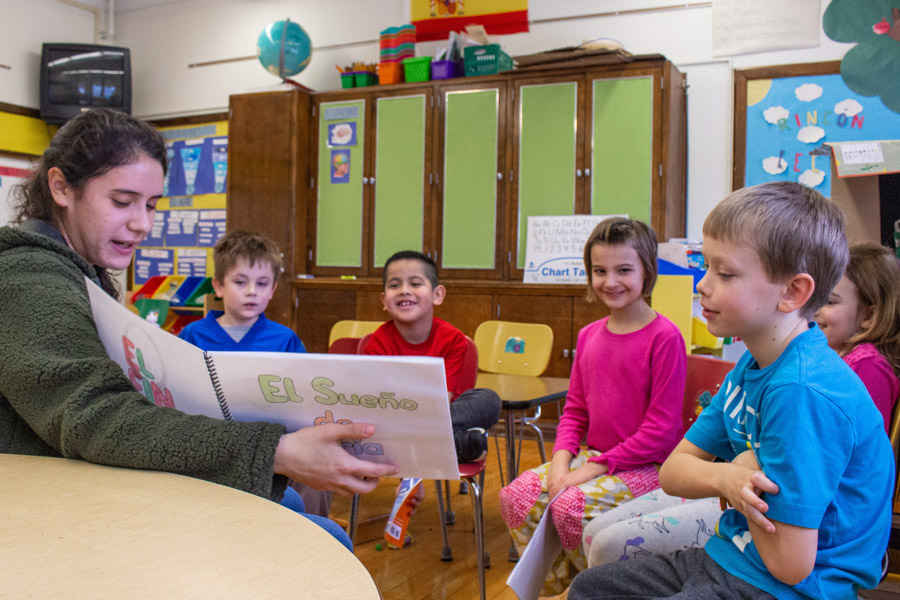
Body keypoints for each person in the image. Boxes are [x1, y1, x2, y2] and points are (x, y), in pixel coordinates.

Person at [0, 108, 397, 544]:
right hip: (53, 504)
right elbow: (96, 416)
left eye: (151, 205)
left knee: (298, 507)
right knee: (326, 538)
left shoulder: (75, 271)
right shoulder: (28, 277)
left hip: (86, 476)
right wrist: (276, 452)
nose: (142, 224)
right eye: (122, 201)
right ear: (60, 187)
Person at [569, 182, 895, 600]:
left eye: (724, 274)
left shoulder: (802, 391)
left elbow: (790, 566)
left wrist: (739, 470)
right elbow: (673, 472)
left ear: (792, 292)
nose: (702, 285)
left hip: (791, 588)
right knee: (591, 588)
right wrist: (728, 474)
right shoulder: (752, 362)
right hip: (733, 557)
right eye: (707, 267)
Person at [498, 217, 687, 595]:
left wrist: (587, 472)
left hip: (649, 468)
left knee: (569, 506)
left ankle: (603, 589)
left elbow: (660, 432)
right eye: (599, 271)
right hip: (596, 458)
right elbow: (574, 412)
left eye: (623, 270)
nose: (610, 281)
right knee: (515, 496)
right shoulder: (589, 336)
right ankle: (565, 589)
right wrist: (561, 464)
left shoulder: (665, 337)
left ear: (647, 271)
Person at [178, 229, 341, 545]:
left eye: (262, 284)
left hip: (275, 444)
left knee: (319, 465)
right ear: (219, 285)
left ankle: (313, 543)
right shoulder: (193, 335)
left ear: (273, 289)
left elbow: (304, 401)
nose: (251, 292)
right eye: (240, 282)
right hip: (212, 444)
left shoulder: (284, 340)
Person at [361, 250, 502, 463]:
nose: (404, 291)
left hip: (436, 415)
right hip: (393, 420)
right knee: (371, 421)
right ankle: (455, 444)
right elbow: (382, 407)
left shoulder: (453, 339)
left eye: (415, 284)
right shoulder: (377, 343)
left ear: (438, 295)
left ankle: (421, 445)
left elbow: (442, 402)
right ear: (384, 300)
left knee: (487, 399)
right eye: (394, 285)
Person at [815, 242, 900, 432]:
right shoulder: (835, 354)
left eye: (829, 301)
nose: (814, 310)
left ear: (868, 316)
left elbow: (865, 443)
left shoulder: (868, 367)